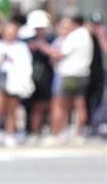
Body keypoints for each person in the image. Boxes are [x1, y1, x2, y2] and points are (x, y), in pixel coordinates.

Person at [40, 15, 94, 145]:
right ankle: (78, 134)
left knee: (59, 105)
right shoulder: (86, 35)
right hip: (83, 74)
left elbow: (59, 54)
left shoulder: (75, 36)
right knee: (79, 105)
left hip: (68, 75)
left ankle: (56, 134)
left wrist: (43, 47)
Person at [0, 20, 33, 148]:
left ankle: (9, 134)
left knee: (12, 109)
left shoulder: (21, 47)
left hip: (15, 80)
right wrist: (2, 59)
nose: (10, 34)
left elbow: (25, 64)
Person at [24, 10, 54, 145]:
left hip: (45, 77)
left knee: (44, 105)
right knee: (31, 106)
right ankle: (31, 131)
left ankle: (41, 130)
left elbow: (55, 53)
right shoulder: (25, 39)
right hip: (29, 77)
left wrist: (44, 47)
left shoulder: (51, 38)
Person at [84, 13, 105, 132]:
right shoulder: (83, 36)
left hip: (98, 72)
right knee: (84, 99)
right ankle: (86, 124)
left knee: (97, 98)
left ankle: (95, 123)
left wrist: (101, 36)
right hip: (86, 72)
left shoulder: (102, 35)